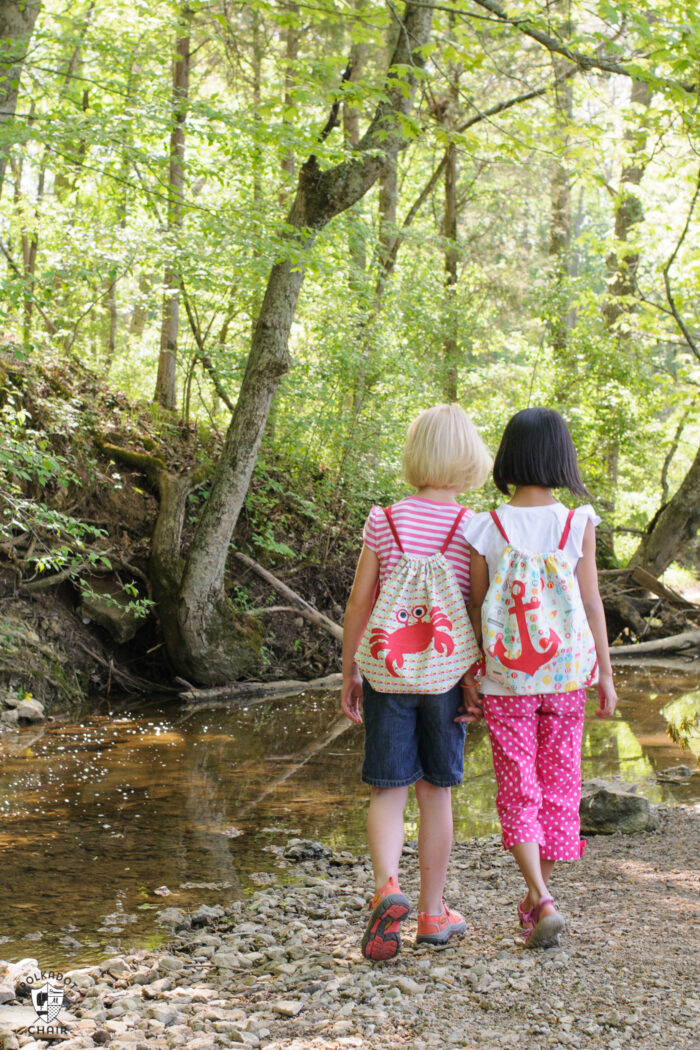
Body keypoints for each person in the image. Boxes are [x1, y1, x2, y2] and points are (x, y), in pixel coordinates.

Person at [340, 404, 491, 961]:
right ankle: (432, 913)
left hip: (388, 674)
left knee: (388, 789)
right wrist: (478, 678)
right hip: (447, 677)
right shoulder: (471, 526)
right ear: (471, 458)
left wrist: (350, 667)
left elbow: (361, 601)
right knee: (436, 794)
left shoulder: (384, 520)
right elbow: (476, 607)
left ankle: (387, 890)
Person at [463, 407, 618, 949]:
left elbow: (478, 607)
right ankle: (538, 898)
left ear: (508, 458)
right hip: (568, 675)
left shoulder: (487, 526)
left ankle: (540, 898)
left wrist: (473, 675)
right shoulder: (578, 522)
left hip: (508, 680)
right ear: (562, 457)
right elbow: (592, 601)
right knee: (558, 787)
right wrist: (606, 673)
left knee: (518, 788)